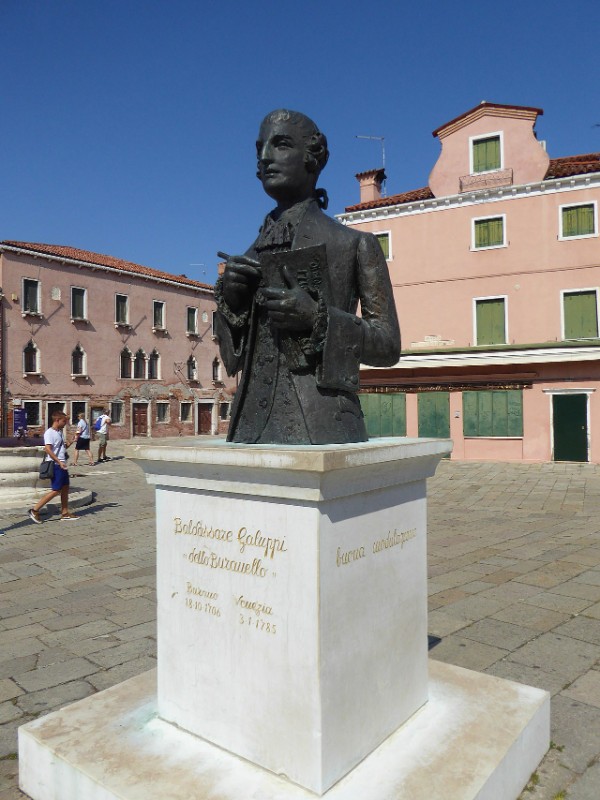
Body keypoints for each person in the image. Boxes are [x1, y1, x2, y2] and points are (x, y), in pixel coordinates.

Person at [214, 109, 400, 444]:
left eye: (280, 145)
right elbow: (235, 358)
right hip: (248, 430)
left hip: (325, 425)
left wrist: (317, 318)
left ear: (313, 157)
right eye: (260, 149)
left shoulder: (355, 244)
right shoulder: (249, 254)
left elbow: (387, 346)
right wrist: (232, 302)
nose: (265, 158)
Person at [28, 410, 78, 523]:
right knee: (56, 489)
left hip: (62, 464)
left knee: (65, 487)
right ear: (57, 420)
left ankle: (65, 513)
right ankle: (34, 510)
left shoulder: (59, 432)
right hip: (56, 464)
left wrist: (72, 441)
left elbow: (62, 447)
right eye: (64, 421)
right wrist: (59, 462)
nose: (65, 423)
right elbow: (48, 449)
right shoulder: (49, 433)